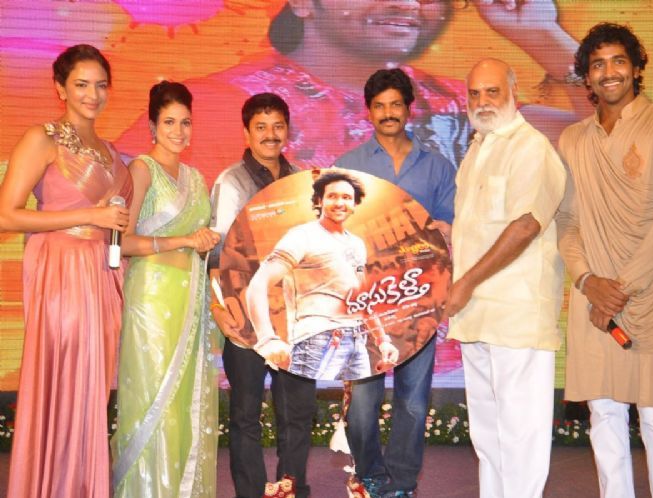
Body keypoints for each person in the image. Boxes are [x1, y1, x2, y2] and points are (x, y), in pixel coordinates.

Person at [115, 0, 588, 177]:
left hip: (442, 357)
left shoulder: (457, 105)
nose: (408, 3)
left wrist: (543, 36)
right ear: (303, 3)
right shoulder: (218, 102)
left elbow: (603, 142)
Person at [556, 22, 653, 497]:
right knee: (604, 415)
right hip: (592, 299)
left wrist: (619, 289)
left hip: (647, 296)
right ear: (586, 77)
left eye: (619, 61)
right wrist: (587, 281)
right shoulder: (573, 140)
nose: (609, 72)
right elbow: (566, 221)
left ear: (636, 68)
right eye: (597, 64)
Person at [0, 44, 132, 498]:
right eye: (81, 84)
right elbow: (6, 215)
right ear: (60, 88)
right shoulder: (43, 138)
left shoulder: (112, 152)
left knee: (92, 391)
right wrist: (90, 216)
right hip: (60, 271)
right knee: (62, 381)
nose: (92, 94)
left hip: (103, 275)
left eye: (100, 85)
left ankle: (82, 486)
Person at [445, 58, 566, 498]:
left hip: (516, 316)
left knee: (519, 436)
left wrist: (465, 283)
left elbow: (526, 226)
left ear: (514, 92)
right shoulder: (478, 149)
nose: (482, 101)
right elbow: (476, 227)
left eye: (492, 91)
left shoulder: (530, 147)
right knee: (488, 436)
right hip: (476, 317)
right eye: (474, 93)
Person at [335, 68, 455, 498]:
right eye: (379, 106)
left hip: (420, 299)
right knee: (362, 406)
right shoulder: (348, 165)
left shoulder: (437, 166)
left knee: (414, 402)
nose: (388, 113)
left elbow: (450, 227)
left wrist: (438, 231)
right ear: (369, 112)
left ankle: (401, 483)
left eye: (396, 105)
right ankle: (370, 477)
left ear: (409, 109)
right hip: (367, 301)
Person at [110, 81, 221, 497]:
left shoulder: (195, 177)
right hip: (152, 299)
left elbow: (199, 239)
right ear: (152, 126)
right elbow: (123, 242)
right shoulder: (141, 170)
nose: (178, 131)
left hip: (190, 297)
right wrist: (185, 240)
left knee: (185, 401)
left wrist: (204, 241)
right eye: (169, 122)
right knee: (155, 401)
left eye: (185, 122)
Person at [208, 93, 319, 498]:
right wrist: (221, 307)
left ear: (288, 131)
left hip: (296, 317)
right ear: (246, 133)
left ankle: (292, 489)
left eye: (278, 126)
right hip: (245, 316)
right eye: (261, 127)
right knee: (245, 415)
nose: (270, 135)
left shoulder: (305, 183)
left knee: (297, 413)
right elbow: (218, 255)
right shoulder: (231, 181)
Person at [247, 170, 400, 381]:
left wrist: (383, 340)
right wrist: (266, 338)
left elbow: (362, 297)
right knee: (305, 401)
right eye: (332, 196)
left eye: (346, 197)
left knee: (357, 403)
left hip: (357, 341)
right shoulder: (302, 236)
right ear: (319, 201)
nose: (340, 203)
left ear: (354, 204)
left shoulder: (356, 243)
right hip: (317, 340)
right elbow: (259, 282)